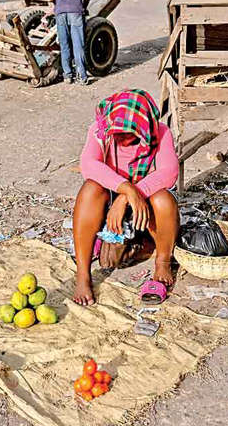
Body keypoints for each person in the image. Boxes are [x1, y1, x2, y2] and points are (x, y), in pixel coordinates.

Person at [72, 89, 179, 306]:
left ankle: (163, 262)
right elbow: (88, 165)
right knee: (90, 189)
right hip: (108, 204)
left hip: (143, 209)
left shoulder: (160, 132)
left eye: (129, 134)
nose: (121, 138)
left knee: (163, 199)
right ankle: (83, 273)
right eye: (117, 133)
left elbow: (170, 172)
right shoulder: (100, 131)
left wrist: (131, 195)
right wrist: (125, 190)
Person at [48, 0, 91, 85]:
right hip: (76, 12)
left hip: (60, 13)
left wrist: (58, 4)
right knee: (78, 44)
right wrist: (83, 6)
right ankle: (82, 77)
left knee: (65, 45)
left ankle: (67, 76)